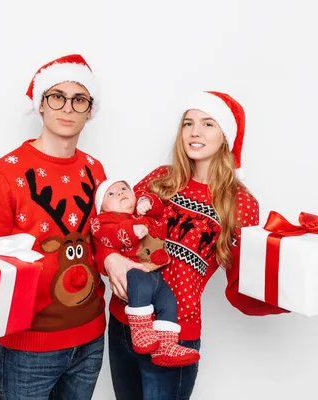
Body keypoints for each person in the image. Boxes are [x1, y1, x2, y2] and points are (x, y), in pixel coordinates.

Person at [95, 90, 289, 399]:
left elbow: (244, 279)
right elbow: (107, 229)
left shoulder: (240, 204)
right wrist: (109, 260)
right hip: (123, 322)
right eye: (188, 123)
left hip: (175, 334)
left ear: (226, 136)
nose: (195, 132)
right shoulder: (160, 179)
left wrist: (288, 289)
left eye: (208, 124)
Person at [0, 54, 110, 400]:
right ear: (41, 105)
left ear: (90, 111)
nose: (67, 108)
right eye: (57, 97)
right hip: (29, 347)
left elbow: (103, 240)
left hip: (91, 338)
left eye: (79, 99)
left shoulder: (97, 171)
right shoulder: (1, 175)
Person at [90, 179, 200, 367]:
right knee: (140, 290)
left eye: (124, 189)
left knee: (168, 300)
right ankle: (141, 330)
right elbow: (106, 236)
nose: (120, 193)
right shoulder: (104, 220)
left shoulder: (139, 214)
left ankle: (166, 345)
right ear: (102, 207)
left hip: (155, 275)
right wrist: (130, 231)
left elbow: (158, 209)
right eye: (111, 194)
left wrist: (146, 202)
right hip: (133, 272)